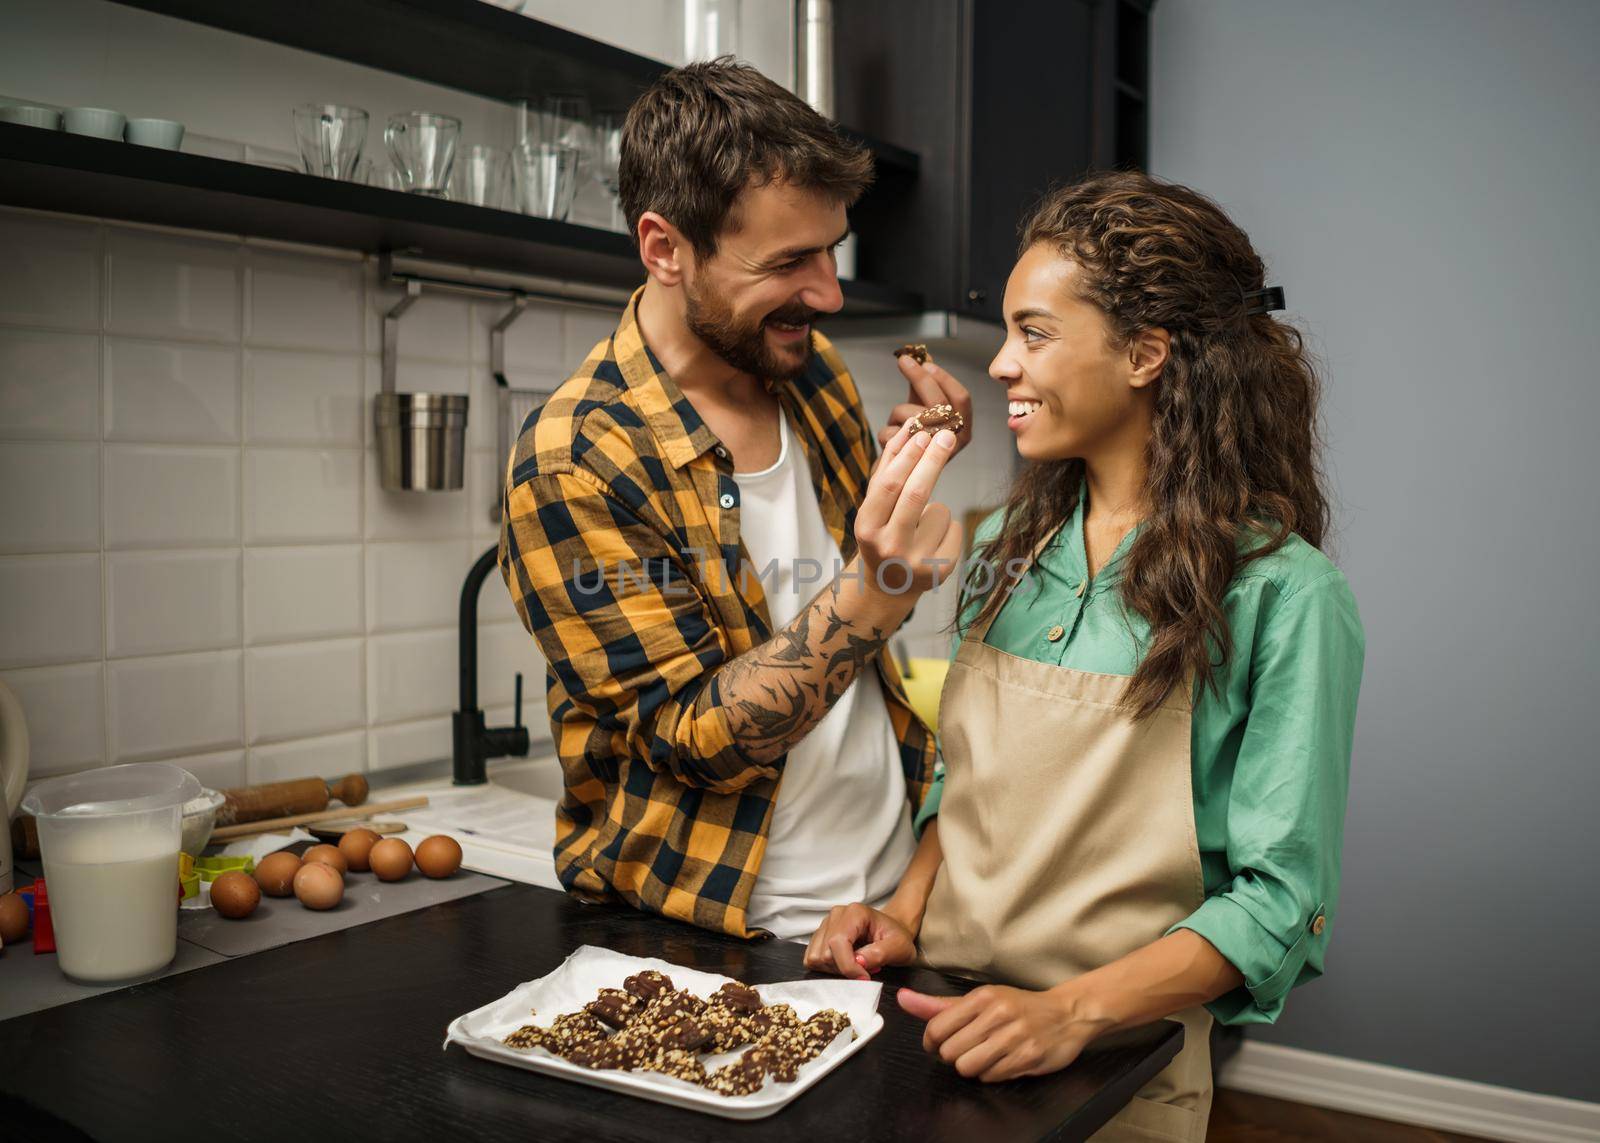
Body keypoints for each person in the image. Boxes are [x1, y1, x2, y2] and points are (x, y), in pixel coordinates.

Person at [803, 170, 1366, 1142]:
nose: (1002, 368)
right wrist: (901, 909)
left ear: (1145, 353)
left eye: (1035, 332)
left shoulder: (1285, 595)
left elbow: (1279, 905)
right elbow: (968, 786)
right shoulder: (1001, 548)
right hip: (928, 1029)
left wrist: (1069, 1011)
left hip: (1113, 1072)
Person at [498, 59, 973, 940]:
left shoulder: (808, 369)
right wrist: (880, 593)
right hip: (727, 932)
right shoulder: (575, 462)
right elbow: (695, 738)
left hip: (890, 898)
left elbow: (833, 614)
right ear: (665, 248)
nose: (827, 293)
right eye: (790, 261)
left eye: (831, 251)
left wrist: (917, 462)